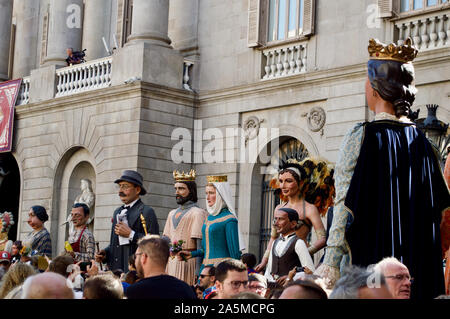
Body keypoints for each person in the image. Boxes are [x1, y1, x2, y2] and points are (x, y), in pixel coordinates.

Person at [315, 38, 450, 299]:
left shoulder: (361, 137)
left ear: (375, 88)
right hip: (419, 267)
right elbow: (444, 214)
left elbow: (343, 203)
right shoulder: (426, 143)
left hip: (371, 264)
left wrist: (330, 263)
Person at [256, 158, 334, 272]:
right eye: (281, 181)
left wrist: (304, 252)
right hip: (277, 259)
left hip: (298, 263)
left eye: (288, 181)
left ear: (300, 183)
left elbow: (322, 238)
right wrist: (264, 261)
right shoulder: (279, 208)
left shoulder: (309, 209)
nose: (283, 186)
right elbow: (273, 237)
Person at [179, 175, 245, 275]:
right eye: (206, 193)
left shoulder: (229, 219)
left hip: (220, 271)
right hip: (205, 270)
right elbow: (206, 249)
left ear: (220, 195)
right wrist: (191, 254)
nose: (207, 197)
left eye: (211, 193)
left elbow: (234, 254)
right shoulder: (209, 218)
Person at [95, 170, 159, 272]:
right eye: (120, 186)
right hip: (115, 270)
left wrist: (131, 234)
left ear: (137, 189)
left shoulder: (147, 211)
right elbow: (115, 243)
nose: (121, 190)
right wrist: (106, 253)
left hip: (135, 271)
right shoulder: (117, 212)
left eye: (125, 186)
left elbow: (155, 243)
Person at [163, 169, 207, 285]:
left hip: (189, 263)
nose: (177, 192)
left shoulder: (198, 213)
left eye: (181, 188)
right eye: (176, 189)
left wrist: (198, 271)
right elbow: (166, 240)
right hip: (171, 263)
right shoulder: (171, 213)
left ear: (191, 191)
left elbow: (199, 244)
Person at [125, 235, 197, 299]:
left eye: (136, 256)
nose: (135, 260)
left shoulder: (134, 292)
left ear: (144, 257)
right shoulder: (185, 289)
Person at [264, 207, 315, 286]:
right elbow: (269, 270)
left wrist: (291, 277)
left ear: (293, 224)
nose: (275, 223)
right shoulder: (274, 242)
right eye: (275, 219)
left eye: (280, 219)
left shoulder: (299, 243)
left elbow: (310, 271)